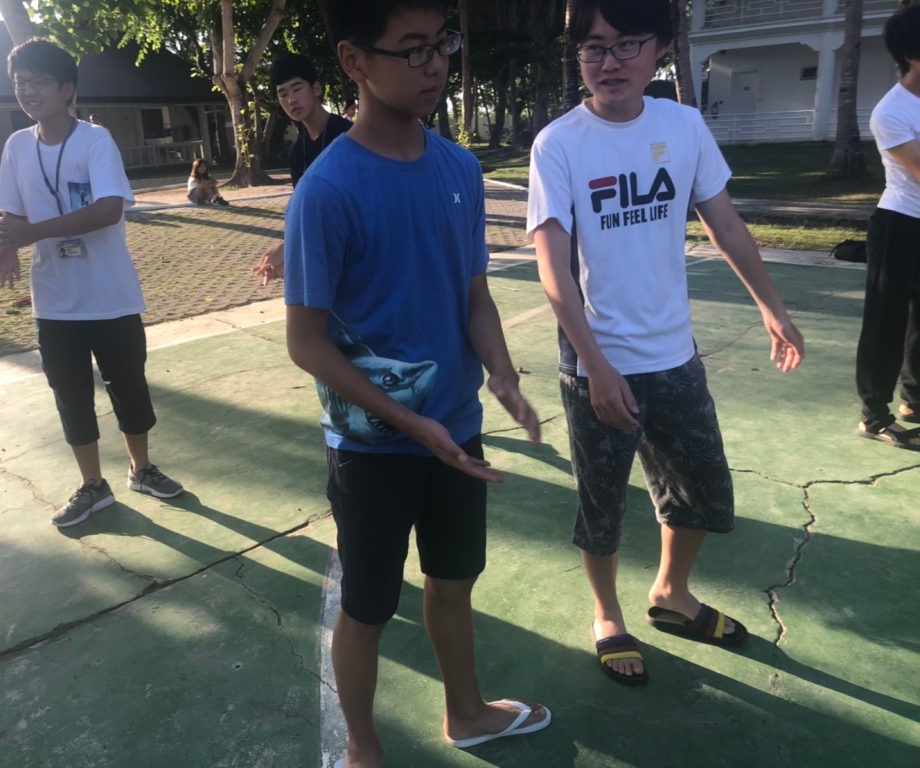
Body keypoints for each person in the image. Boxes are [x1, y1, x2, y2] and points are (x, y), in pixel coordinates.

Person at [285, 2, 550, 766]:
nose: (435, 65)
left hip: (455, 431)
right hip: (372, 448)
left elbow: (473, 296)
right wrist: (409, 423)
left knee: (453, 580)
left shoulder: (459, 168)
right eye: (411, 49)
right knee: (368, 607)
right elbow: (306, 343)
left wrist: (501, 372)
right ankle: (363, 749)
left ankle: (466, 712)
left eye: (442, 45)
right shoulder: (327, 191)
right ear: (354, 61)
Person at [527, 0, 804, 686]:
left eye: (626, 43)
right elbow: (553, 268)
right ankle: (607, 615)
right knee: (602, 501)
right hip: (597, 360)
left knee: (700, 488)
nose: (609, 61)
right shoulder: (559, 144)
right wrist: (595, 366)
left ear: (659, 49)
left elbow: (725, 224)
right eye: (593, 47)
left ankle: (672, 593)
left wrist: (772, 307)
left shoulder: (682, 126)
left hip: (674, 353)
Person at [0, 38, 183, 528]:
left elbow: (109, 208)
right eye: (20, 82)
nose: (29, 91)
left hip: (111, 296)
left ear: (67, 88)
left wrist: (33, 232)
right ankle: (93, 486)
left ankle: (141, 469)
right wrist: (7, 243)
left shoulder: (95, 140)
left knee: (129, 387)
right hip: (54, 302)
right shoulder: (16, 146)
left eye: (40, 81)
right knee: (70, 395)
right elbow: (14, 213)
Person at [855, 4, 920, 450]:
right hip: (900, 224)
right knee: (886, 322)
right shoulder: (891, 111)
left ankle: (914, 401)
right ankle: (874, 416)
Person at [252, 53, 352, 285]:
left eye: (297, 89)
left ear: (316, 88)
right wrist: (289, 249)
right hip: (327, 258)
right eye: (283, 94)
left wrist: (290, 247)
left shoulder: (349, 136)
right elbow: (305, 210)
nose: (291, 100)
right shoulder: (298, 151)